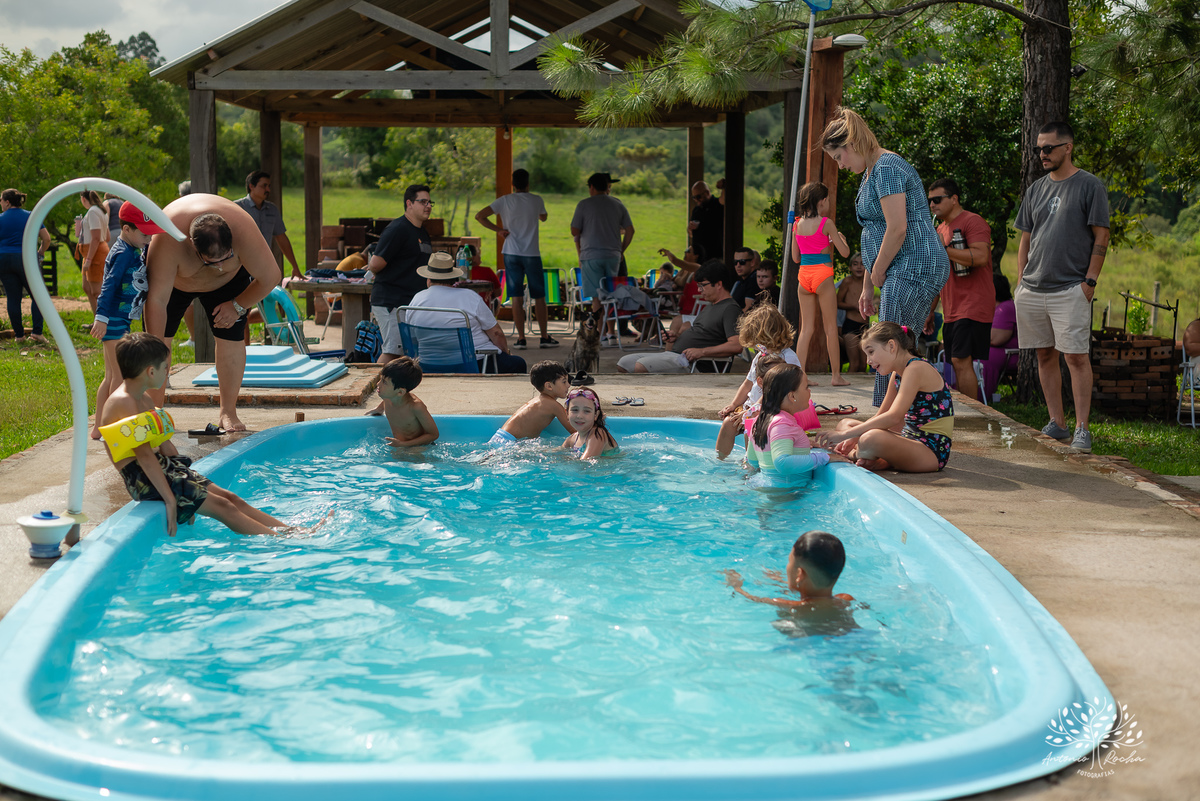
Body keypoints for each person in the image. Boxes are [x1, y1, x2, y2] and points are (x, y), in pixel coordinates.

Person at [98, 333, 303, 537]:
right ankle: (283, 542)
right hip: (142, 479)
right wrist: (171, 500)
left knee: (231, 498)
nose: (167, 373)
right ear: (151, 371)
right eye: (165, 368)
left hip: (163, 469)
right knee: (224, 507)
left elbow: (164, 446)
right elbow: (143, 456)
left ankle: (291, 532)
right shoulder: (123, 403)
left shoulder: (143, 399)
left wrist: (187, 478)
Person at [821, 106, 950, 407]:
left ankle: (889, 418)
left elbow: (897, 229)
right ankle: (899, 415)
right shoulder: (871, 171)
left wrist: (877, 272)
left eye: (839, 157)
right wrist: (868, 284)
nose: (840, 166)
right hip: (901, 266)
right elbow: (877, 234)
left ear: (851, 145)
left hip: (916, 263)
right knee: (894, 343)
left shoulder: (887, 167)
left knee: (890, 346)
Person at [143, 194, 283, 432]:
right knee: (158, 345)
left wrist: (238, 305)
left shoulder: (243, 228)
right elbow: (156, 299)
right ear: (192, 246)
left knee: (231, 337)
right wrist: (156, 348)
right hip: (176, 285)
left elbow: (271, 277)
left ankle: (228, 412)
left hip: (228, 286)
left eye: (225, 258)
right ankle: (154, 413)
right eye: (211, 262)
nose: (219, 266)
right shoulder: (167, 237)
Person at [1013, 121, 1110, 453]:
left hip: (1071, 287)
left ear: (1067, 147)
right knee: (1043, 354)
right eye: (1039, 148)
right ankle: (1058, 424)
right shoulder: (1036, 189)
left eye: (1048, 148)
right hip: (1032, 288)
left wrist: (1090, 282)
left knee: (1076, 358)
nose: (1042, 153)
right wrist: (1020, 280)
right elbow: (1026, 236)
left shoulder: (1089, 185)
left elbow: (1102, 234)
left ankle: (1082, 428)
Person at [815, 321, 953, 473]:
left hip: (930, 452)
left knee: (869, 439)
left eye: (871, 352)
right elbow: (881, 415)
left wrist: (846, 436)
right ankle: (878, 459)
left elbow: (894, 417)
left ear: (891, 346)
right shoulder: (897, 374)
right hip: (908, 440)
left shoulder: (915, 369)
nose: (868, 361)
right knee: (845, 423)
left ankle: (854, 454)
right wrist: (852, 436)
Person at [90, 202, 163, 439]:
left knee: (111, 375)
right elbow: (108, 285)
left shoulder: (132, 248)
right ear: (127, 228)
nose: (149, 239)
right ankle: (116, 428)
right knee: (120, 376)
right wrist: (101, 317)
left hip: (120, 318)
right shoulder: (122, 253)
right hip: (113, 319)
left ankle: (98, 428)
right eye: (144, 233)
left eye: (150, 234)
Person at [925, 178, 994, 404]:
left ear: (954, 199)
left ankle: (971, 413)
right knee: (955, 361)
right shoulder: (940, 228)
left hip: (973, 303)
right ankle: (967, 410)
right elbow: (938, 273)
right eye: (930, 201)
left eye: (937, 199)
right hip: (952, 307)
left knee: (961, 359)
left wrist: (944, 249)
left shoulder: (973, 222)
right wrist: (930, 310)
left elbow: (981, 257)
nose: (932, 205)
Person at [475, 168, 558, 349]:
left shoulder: (504, 200)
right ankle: (544, 337)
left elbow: (480, 216)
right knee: (540, 297)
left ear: (513, 184)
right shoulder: (536, 200)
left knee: (516, 297)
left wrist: (499, 231)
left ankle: (521, 339)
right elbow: (543, 217)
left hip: (511, 252)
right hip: (532, 254)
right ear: (528, 184)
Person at [405, 252, 526, 374]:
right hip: (474, 364)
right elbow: (496, 333)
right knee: (518, 363)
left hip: (428, 365)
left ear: (428, 279)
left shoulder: (416, 300)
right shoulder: (469, 297)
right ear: (453, 279)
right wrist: (505, 353)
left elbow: (412, 338)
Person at [616, 259, 742, 374]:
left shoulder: (730, 308)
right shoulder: (711, 306)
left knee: (640, 366)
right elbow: (703, 334)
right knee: (624, 363)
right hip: (677, 356)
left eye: (702, 285)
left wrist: (702, 352)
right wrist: (676, 337)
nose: (699, 290)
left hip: (696, 364)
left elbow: (736, 346)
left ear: (719, 284)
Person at [715, 303, 803, 459]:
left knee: (751, 428)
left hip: (773, 408)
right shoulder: (761, 356)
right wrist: (734, 405)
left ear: (767, 335)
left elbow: (773, 390)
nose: (756, 345)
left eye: (757, 339)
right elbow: (748, 383)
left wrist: (751, 410)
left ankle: (751, 464)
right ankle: (719, 460)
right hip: (752, 407)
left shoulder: (787, 358)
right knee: (729, 423)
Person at [791, 182, 852, 387]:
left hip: (804, 277)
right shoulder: (826, 223)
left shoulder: (797, 224)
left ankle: (801, 378)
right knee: (830, 329)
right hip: (823, 275)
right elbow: (845, 253)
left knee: (805, 330)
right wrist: (838, 239)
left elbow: (795, 257)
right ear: (822, 200)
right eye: (827, 199)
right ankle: (836, 376)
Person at [370, 184, 435, 364]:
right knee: (393, 351)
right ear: (409, 203)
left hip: (410, 303)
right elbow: (375, 264)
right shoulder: (398, 229)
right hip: (391, 301)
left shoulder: (422, 231)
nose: (428, 206)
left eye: (430, 202)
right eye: (423, 201)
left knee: (406, 353)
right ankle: (373, 385)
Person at [571, 172, 634, 342]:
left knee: (597, 297)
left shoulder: (584, 204)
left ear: (591, 187)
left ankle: (599, 335)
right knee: (611, 294)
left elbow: (574, 231)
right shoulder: (617, 204)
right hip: (613, 255)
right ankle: (611, 333)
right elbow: (630, 230)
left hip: (591, 255)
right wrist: (621, 250)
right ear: (607, 187)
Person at [744, 364, 830, 481]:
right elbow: (782, 463)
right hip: (788, 494)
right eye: (806, 387)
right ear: (792, 396)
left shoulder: (759, 421)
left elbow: (753, 461)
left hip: (769, 490)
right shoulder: (782, 423)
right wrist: (824, 457)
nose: (809, 391)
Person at [724, 530, 854, 607]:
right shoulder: (845, 599)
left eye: (789, 561)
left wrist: (736, 586)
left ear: (799, 574)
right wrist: (781, 582)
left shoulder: (793, 607)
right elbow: (814, 593)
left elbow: (753, 598)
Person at [0, 188, 50, 343]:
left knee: (13, 297)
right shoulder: (31, 216)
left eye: (0, 200)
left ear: (7, 202)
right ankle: (37, 333)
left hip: (3, 260)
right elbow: (46, 239)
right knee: (38, 295)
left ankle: (19, 336)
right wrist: (40, 253)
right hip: (26, 259)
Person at [235, 170, 302, 281]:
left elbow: (282, 238)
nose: (268, 190)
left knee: (265, 297)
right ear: (251, 186)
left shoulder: (272, 209)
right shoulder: (237, 208)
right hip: (240, 268)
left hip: (264, 266)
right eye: (264, 186)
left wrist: (295, 267)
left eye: (269, 186)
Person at [488, 360, 574, 446]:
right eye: (564, 381)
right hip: (509, 443)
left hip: (500, 439)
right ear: (549, 386)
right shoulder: (553, 406)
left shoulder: (539, 401)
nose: (568, 385)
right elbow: (574, 430)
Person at [378, 356, 439, 447]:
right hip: (399, 444)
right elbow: (385, 401)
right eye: (380, 379)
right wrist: (378, 409)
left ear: (400, 392)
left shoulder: (415, 407)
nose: (378, 384)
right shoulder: (388, 397)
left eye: (384, 382)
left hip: (418, 447)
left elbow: (433, 434)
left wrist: (404, 444)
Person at [979, 273, 1019, 403]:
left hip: (1011, 355)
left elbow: (995, 339)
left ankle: (980, 396)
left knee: (984, 357)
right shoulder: (1000, 307)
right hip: (1004, 353)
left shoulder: (1005, 308)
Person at [562, 387, 618, 459]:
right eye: (575, 410)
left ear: (595, 415)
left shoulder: (598, 434)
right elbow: (554, 453)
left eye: (587, 411)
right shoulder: (572, 439)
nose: (580, 416)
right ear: (567, 413)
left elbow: (584, 463)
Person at [78, 189, 111, 312]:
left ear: (83, 199)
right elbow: (106, 237)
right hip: (92, 251)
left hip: (95, 253)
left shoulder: (92, 212)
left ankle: (103, 322)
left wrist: (89, 260)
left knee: (97, 291)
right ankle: (96, 320)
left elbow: (96, 238)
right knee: (87, 287)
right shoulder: (102, 211)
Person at [836, 253, 868, 373]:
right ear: (850, 268)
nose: (859, 267)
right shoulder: (847, 282)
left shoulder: (868, 283)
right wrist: (853, 306)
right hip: (850, 326)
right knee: (854, 364)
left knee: (863, 366)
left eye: (862, 264)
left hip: (865, 327)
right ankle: (846, 389)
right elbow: (837, 302)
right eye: (855, 264)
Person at [687, 180, 724, 265]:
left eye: (698, 197)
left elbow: (724, 199)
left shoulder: (717, 205)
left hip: (714, 256)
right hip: (698, 259)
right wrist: (690, 229)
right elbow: (691, 234)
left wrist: (723, 188)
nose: (696, 200)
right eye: (694, 197)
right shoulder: (696, 210)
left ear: (707, 193)